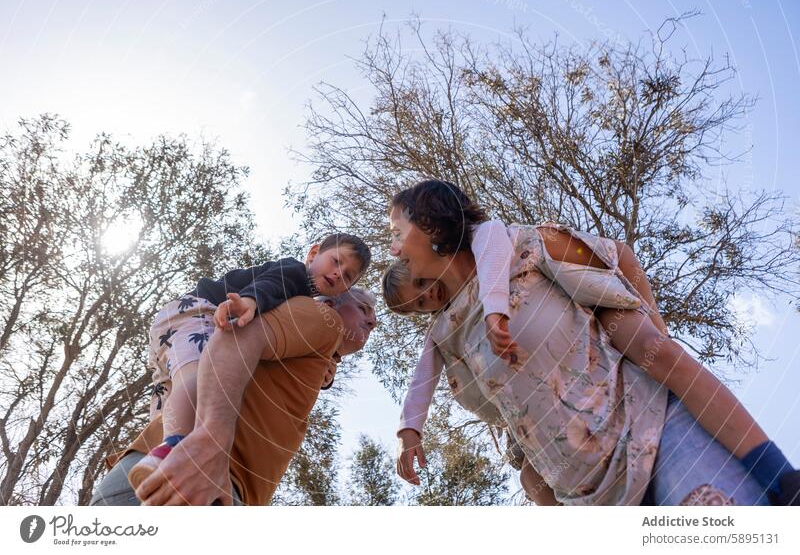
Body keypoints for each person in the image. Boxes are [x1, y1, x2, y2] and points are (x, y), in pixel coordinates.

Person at [386, 179, 798, 506]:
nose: (394, 248)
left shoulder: (523, 245)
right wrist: (410, 432)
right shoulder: (450, 335)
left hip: (657, 441)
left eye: (397, 233)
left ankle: (781, 477)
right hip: (592, 503)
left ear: (431, 226)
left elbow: (618, 255)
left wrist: (652, 336)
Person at [127, 233, 371, 491]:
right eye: (335, 261)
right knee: (196, 377)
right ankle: (174, 447)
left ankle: (156, 454)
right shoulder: (295, 272)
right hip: (197, 312)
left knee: (171, 395)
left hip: (176, 326)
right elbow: (273, 284)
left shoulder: (304, 304)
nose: (337, 273)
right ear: (313, 254)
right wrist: (250, 301)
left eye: (347, 276)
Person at [90, 288, 377, 506]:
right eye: (364, 308)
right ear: (330, 302)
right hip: (194, 472)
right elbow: (233, 337)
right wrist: (210, 443)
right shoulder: (325, 318)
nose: (373, 321)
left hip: (208, 481)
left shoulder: (318, 352)